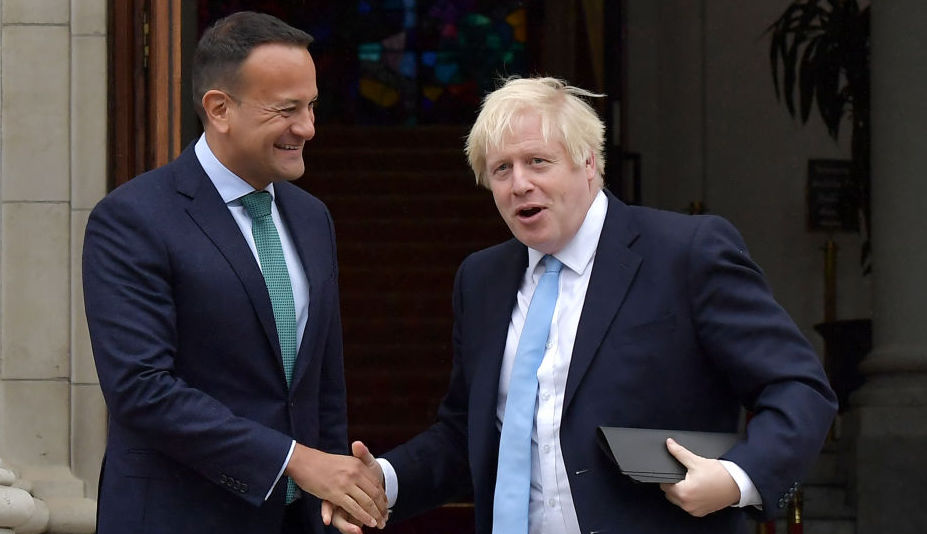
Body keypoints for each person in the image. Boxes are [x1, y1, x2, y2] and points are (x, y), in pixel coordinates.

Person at [324, 77, 837, 534]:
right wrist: (381, 482)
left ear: (589, 163)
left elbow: (798, 388)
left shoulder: (686, 253)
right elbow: (470, 434)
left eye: (537, 162)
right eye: (501, 169)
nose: (519, 182)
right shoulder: (481, 279)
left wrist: (735, 477)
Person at [83, 11, 386, 534]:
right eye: (287, 109)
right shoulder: (133, 218)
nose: (308, 128)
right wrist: (296, 461)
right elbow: (141, 389)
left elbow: (322, 389)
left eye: (312, 106)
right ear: (219, 109)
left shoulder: (313, 219)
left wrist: (340, 495)